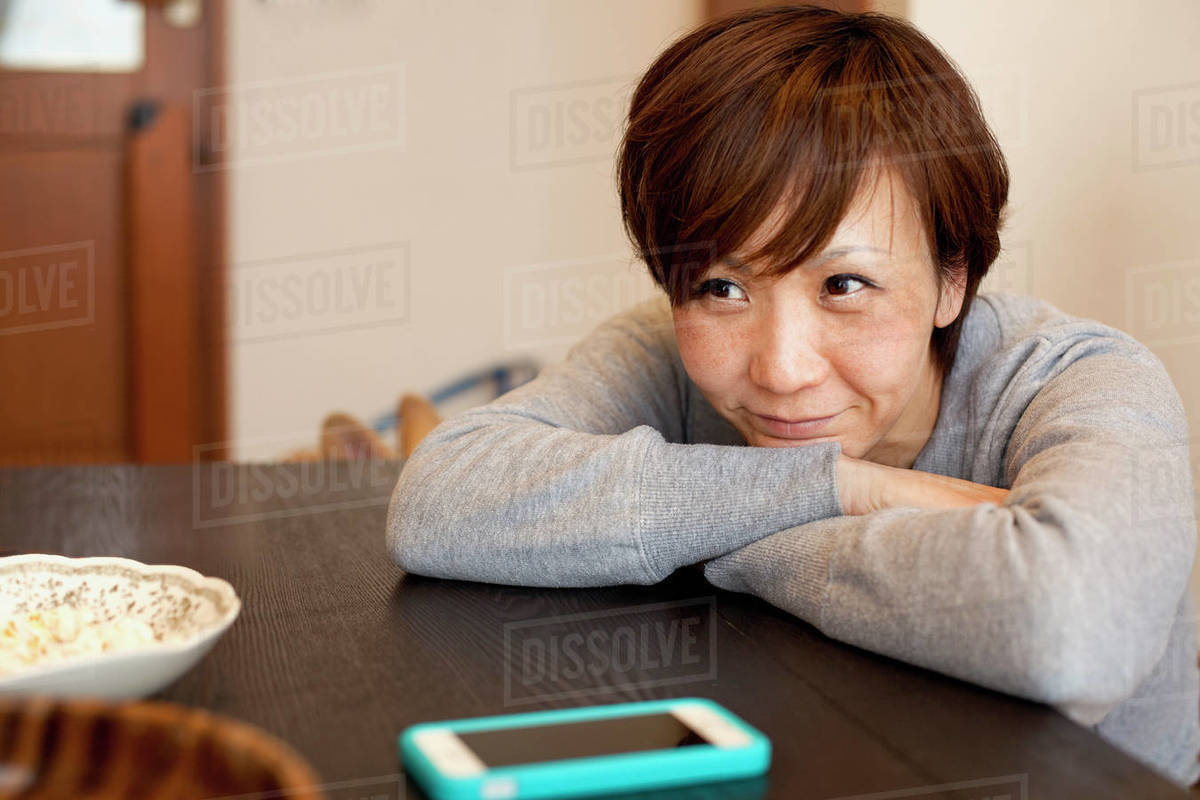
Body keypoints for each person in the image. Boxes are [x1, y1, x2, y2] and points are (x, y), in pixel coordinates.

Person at [386, 4, 1200, 789]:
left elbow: (1073, 633)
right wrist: (842, 487)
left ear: (954, 278)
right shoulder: (665, 350)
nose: (780, 369)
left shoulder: (1078, 381)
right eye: (720, 285)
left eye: (846, 283)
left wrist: (734, 541)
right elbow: (439, 500)